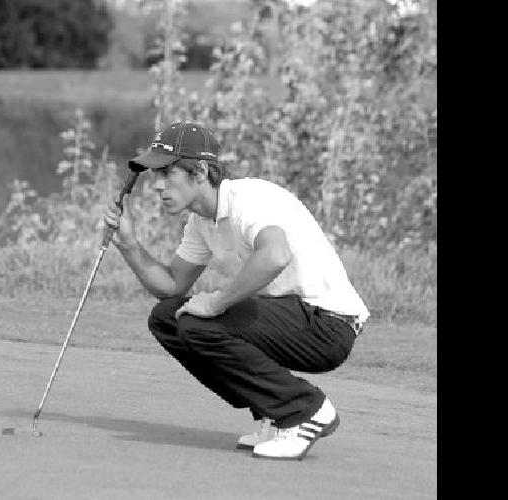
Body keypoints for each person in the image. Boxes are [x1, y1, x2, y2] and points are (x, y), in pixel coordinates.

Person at [103, 122, 371, 461]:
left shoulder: (249, 199)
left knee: (198, 323)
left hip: (328, 326)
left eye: (166, 174)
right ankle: (272, 414)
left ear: (199, 171)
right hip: (292, 320)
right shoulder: (201, 221)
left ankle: (305, 411)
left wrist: (216, 303)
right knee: (167, 318)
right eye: (154, 176)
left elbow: (275, 255)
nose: (156, 186)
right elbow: (171, 286)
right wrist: (129, 245)